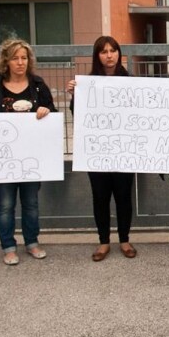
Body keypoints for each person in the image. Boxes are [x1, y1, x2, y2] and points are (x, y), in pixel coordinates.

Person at [0, 39, 56, 266]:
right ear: (6, 61)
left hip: (31, 158)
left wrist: (46, 110)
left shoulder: (38, 85)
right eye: (15, 58)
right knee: (5, 204)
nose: (20, 63)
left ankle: (32, 242)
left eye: (24, 58)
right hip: (3, 159)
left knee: (31, 202)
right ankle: (8, 247)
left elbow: (53, 113)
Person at [67, 36, 137, 262]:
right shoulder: (88, 83)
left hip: (124, 150)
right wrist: (74, 96)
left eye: (113, 50)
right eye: (104, 51)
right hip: (97, 151)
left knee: (124, 196)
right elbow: (78, 114)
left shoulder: (131, 82)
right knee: (100, 197)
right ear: (97, 56)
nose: (109, 55)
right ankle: (104, 241)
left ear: (119, 53)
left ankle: (124, 240)